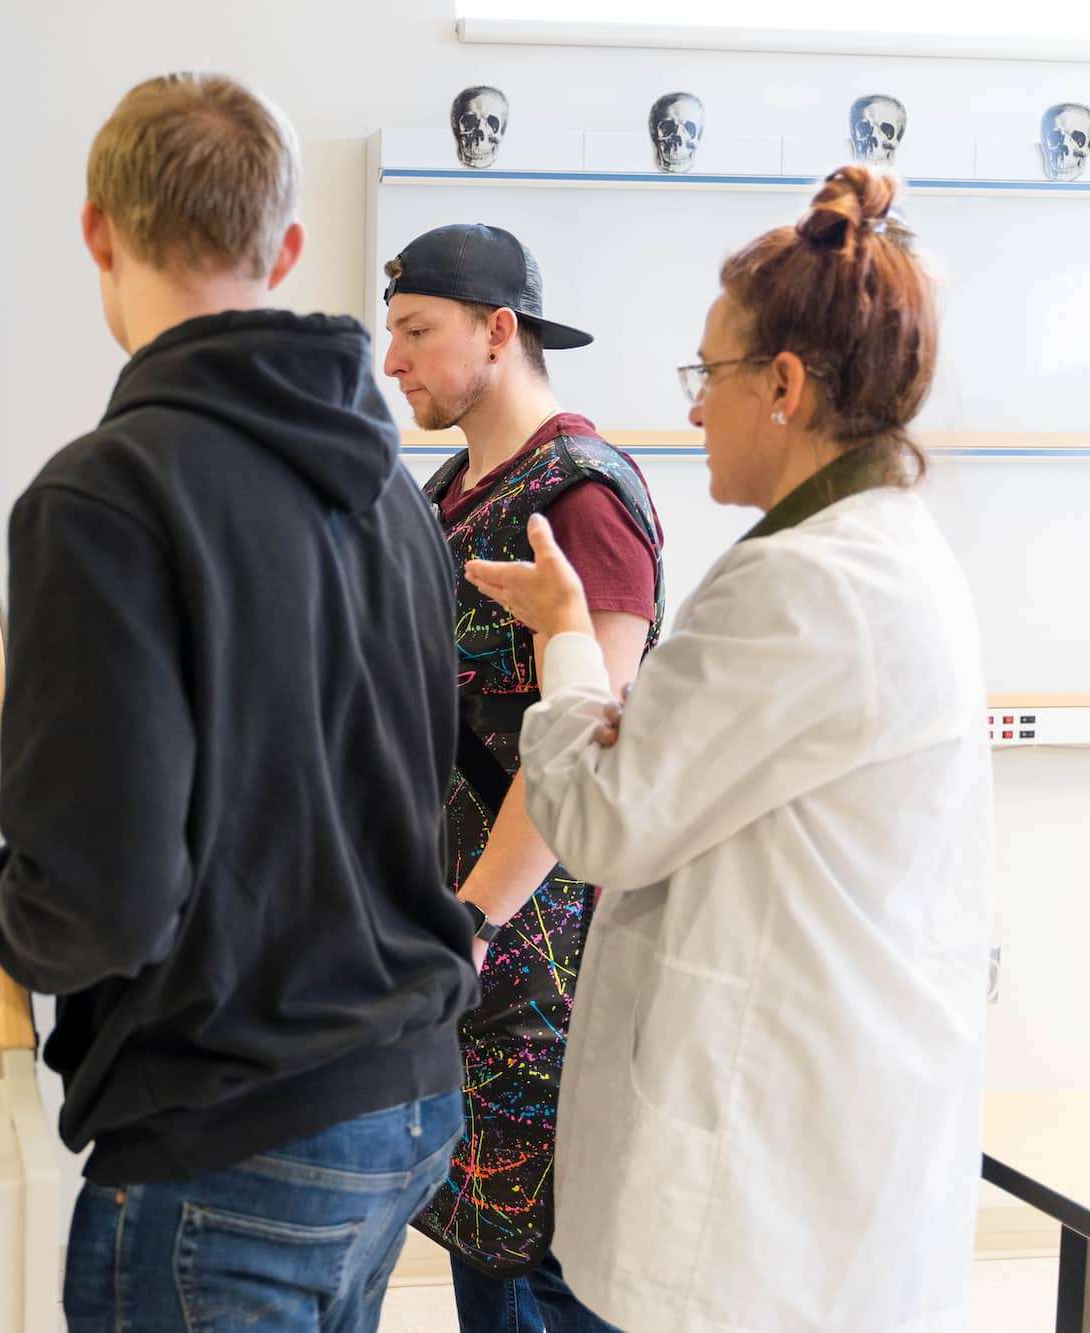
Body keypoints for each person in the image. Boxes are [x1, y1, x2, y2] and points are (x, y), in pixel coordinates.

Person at [0, 72, 477, 1331]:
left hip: (233, 1131)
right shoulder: (393, 497)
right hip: (397, 1100)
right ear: (286, 245)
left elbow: (99, 899)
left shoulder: (103, 498)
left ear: (95, 231)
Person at [467, 165, 991, 1331]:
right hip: (808, 1142)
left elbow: (602, 817)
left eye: (708, 376)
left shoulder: (803, 583)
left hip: (759, 1190)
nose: (693, 408)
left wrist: (562, 643)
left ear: (784, 386)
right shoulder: (880, 555)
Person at [383, 222, 661, 1333]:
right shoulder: (446, 491)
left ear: (498, 332)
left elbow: (588, 741)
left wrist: (474, 918)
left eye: (414, 331)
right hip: (459, 945)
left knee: (540, 1266)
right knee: (479, 1250)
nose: (392, 360)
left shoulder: (583, 495)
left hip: (539, 955)